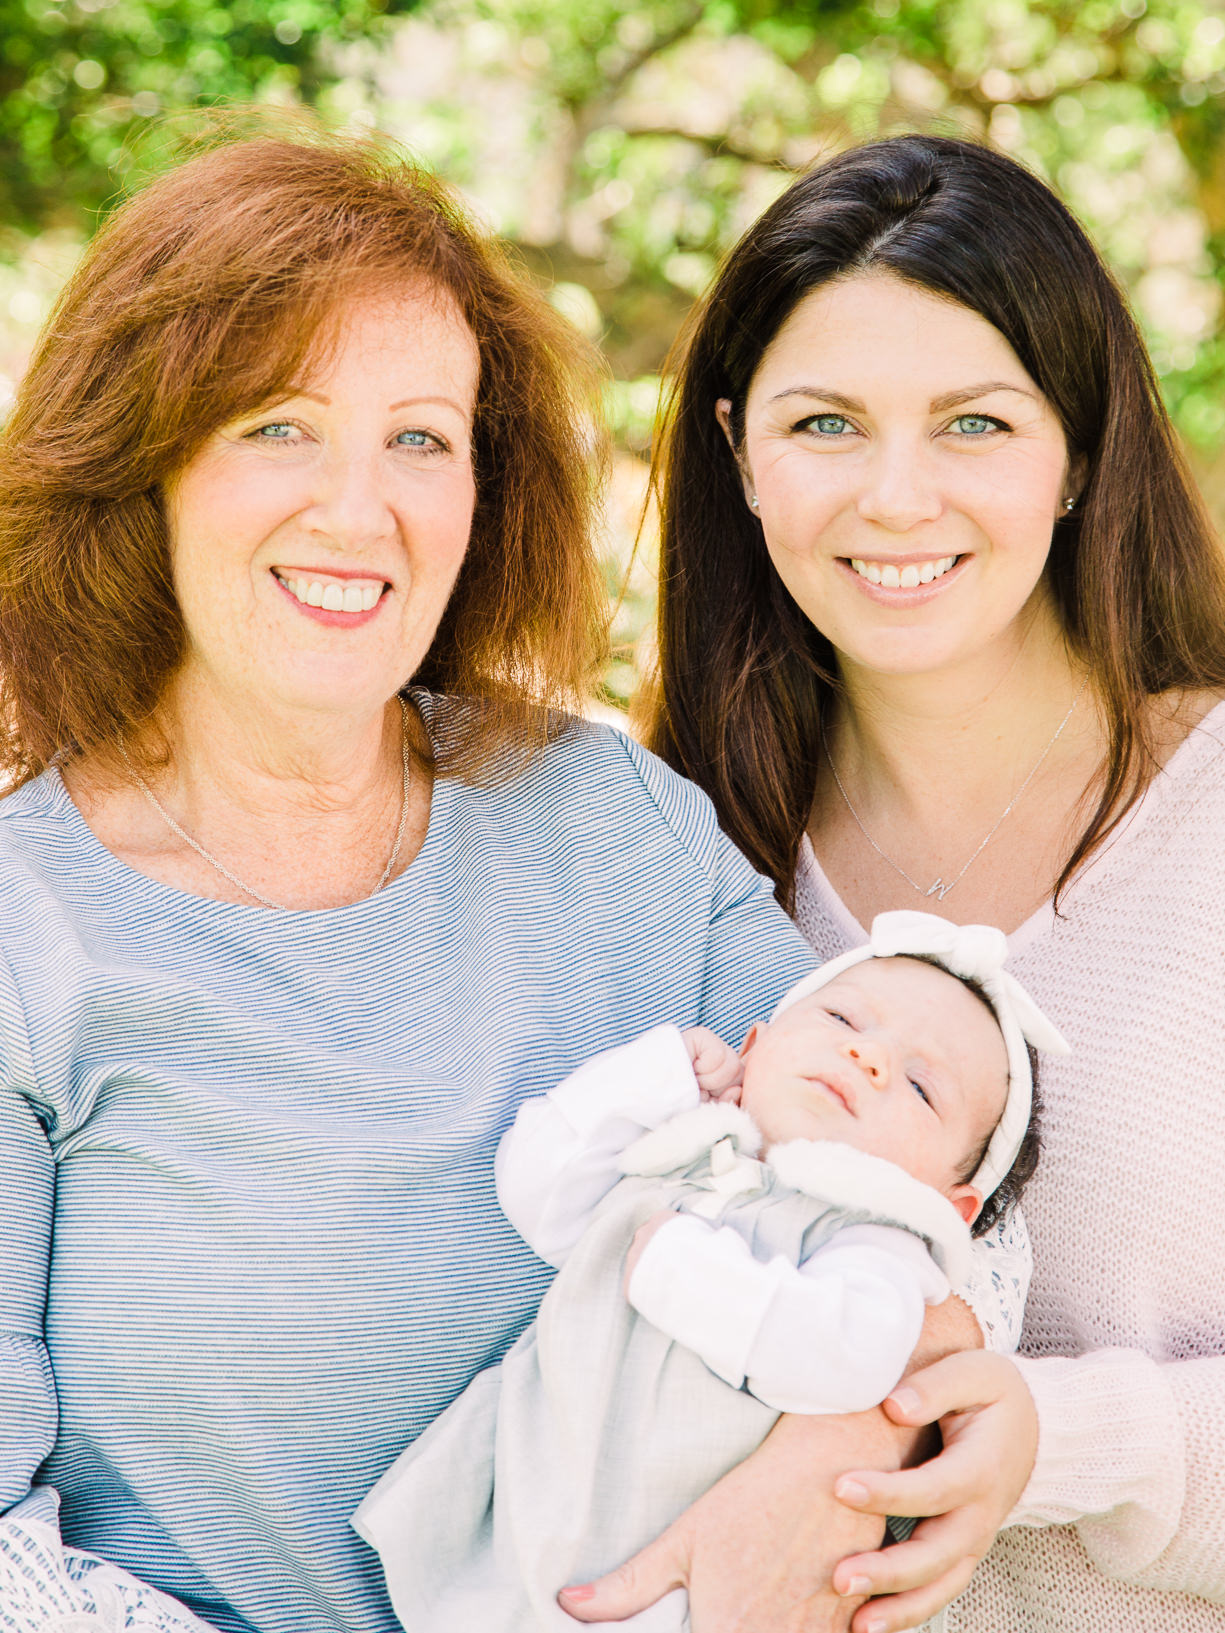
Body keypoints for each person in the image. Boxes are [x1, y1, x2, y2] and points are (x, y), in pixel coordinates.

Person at [0, 125, 842, 1633]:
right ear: (143, 465)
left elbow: (902, 1186)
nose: (358, 508)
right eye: (276, 425)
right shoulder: (26, 923)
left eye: (420, 438)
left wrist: (838, 1450)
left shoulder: (610, 822)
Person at [561, 133, 1225, 1632]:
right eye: (825, 424)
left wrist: (1070, 1441)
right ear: (740, 454)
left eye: (975, 423)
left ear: (1077, 452)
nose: (897, 496)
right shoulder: (673, 865)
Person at [353, 911, 1065, 1633]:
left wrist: (685, 1270)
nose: (867, 1055)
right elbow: (536, 1187)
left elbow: (846, 1354)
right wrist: (662, 1072)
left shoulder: (875, 1245)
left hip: (695, 1575)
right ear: (754, 1046)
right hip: (536, 1509)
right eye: (843, 1016)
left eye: (919, 1085)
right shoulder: (682, 1149)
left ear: (951, 1204)